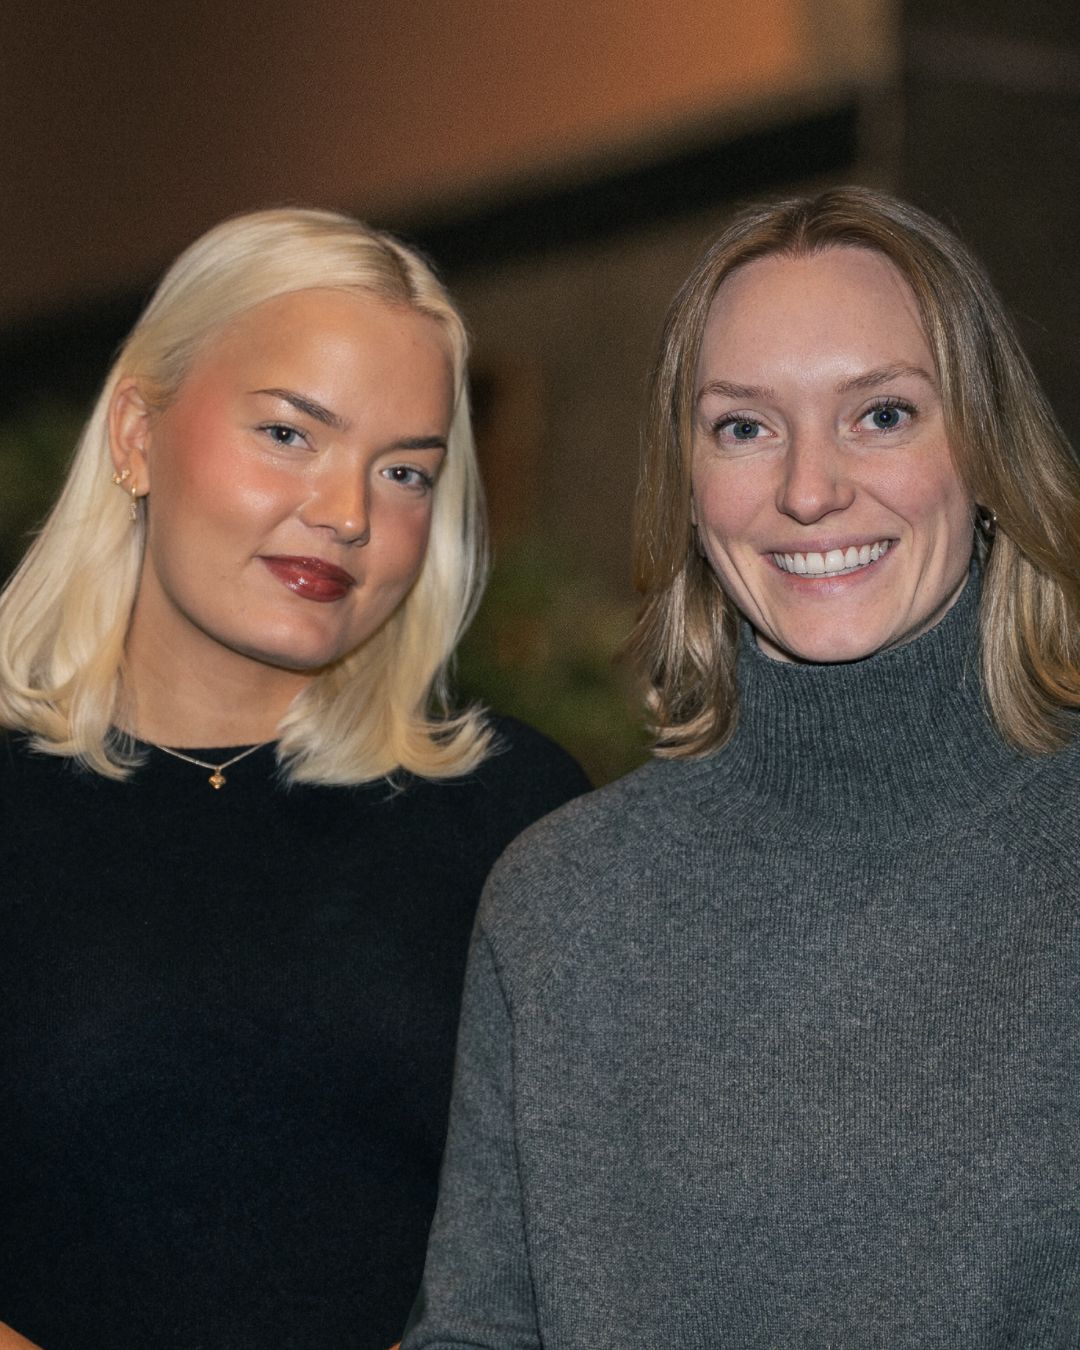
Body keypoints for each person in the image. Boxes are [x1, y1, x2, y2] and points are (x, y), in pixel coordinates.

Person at [402, 186, 1080, 1348]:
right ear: (687, 481)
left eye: (882, 414)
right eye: (744, 428)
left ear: (985, 451)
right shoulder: (565, 905)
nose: (810, 490)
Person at [0, 208, 589, 1350]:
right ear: (137, 433)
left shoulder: (515, 812)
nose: (347, 514)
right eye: (288, 434)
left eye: (405, 471)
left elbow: (592, 1234)